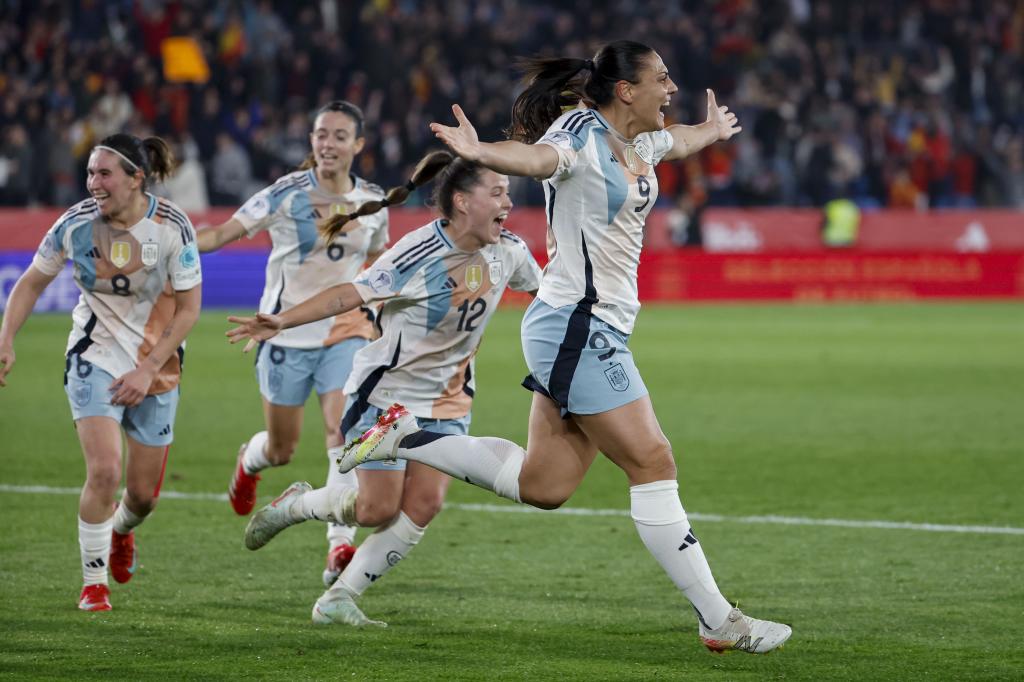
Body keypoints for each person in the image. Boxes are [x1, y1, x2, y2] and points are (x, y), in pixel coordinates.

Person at [337, 40, 790, 653]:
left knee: (544, 486)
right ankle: (717, 620)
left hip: (587, 328)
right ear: (626, 90)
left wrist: (708, 131)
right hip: (578, 327)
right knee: (653, 462)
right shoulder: (578, 133)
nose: (672, 87)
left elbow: (673, 140)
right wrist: (478, 151)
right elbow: (536, 158)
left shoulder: (639, 140)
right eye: (661, 78)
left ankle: (404, 436)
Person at [225, 152, 542, 626]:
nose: (507, 202)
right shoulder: (418, 253)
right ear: (461, 202)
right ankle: (295, 505)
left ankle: (338, 598)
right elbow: (350, 294)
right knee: (374, 509)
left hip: (450, 399)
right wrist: (282, 320)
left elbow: (546, 294)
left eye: (507, 193)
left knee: (425, 503)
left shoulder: (509, 251)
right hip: (384, 398)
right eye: (496, 192)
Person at [0, 134, 202, 611]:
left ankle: (121, 531)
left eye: (104, 173)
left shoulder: (172, 226)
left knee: (143, 497)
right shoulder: (74, 224)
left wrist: (148, 368)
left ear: (136, 178)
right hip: (94, 358)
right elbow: (30, 283)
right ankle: (94, 584)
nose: (93, 183)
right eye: (90, 172)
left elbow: (190, 310)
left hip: (157, 369)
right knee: (105, 470)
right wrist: (6, 337)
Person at [197, 101, 389, 585]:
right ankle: (249, 461)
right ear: (311, 141)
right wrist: (173, 238)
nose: (328, 143)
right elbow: (223, 232)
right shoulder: (285, 194)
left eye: (340, 136)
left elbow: (379, 257)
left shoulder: (372, 199)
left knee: (342, 433)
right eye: (321, 134)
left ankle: (339, 545)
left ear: (358, 145)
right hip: (283, 334)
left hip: (344, 333)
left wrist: (379, 307)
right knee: (282, 449)